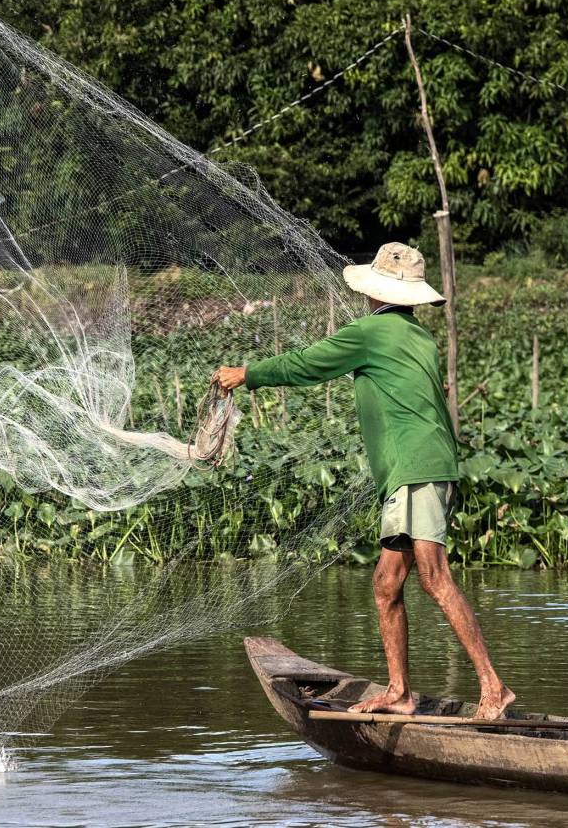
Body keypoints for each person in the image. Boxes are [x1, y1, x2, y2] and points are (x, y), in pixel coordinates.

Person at [211, 242, 515, 720]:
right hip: (417, 470)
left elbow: (306, 365)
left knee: (434, 579)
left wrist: (247, 374)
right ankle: (399, 692)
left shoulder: (373, 333)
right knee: (386, 583)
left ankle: (493, 687)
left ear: (376, 291)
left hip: (418, 469)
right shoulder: (418, 335)